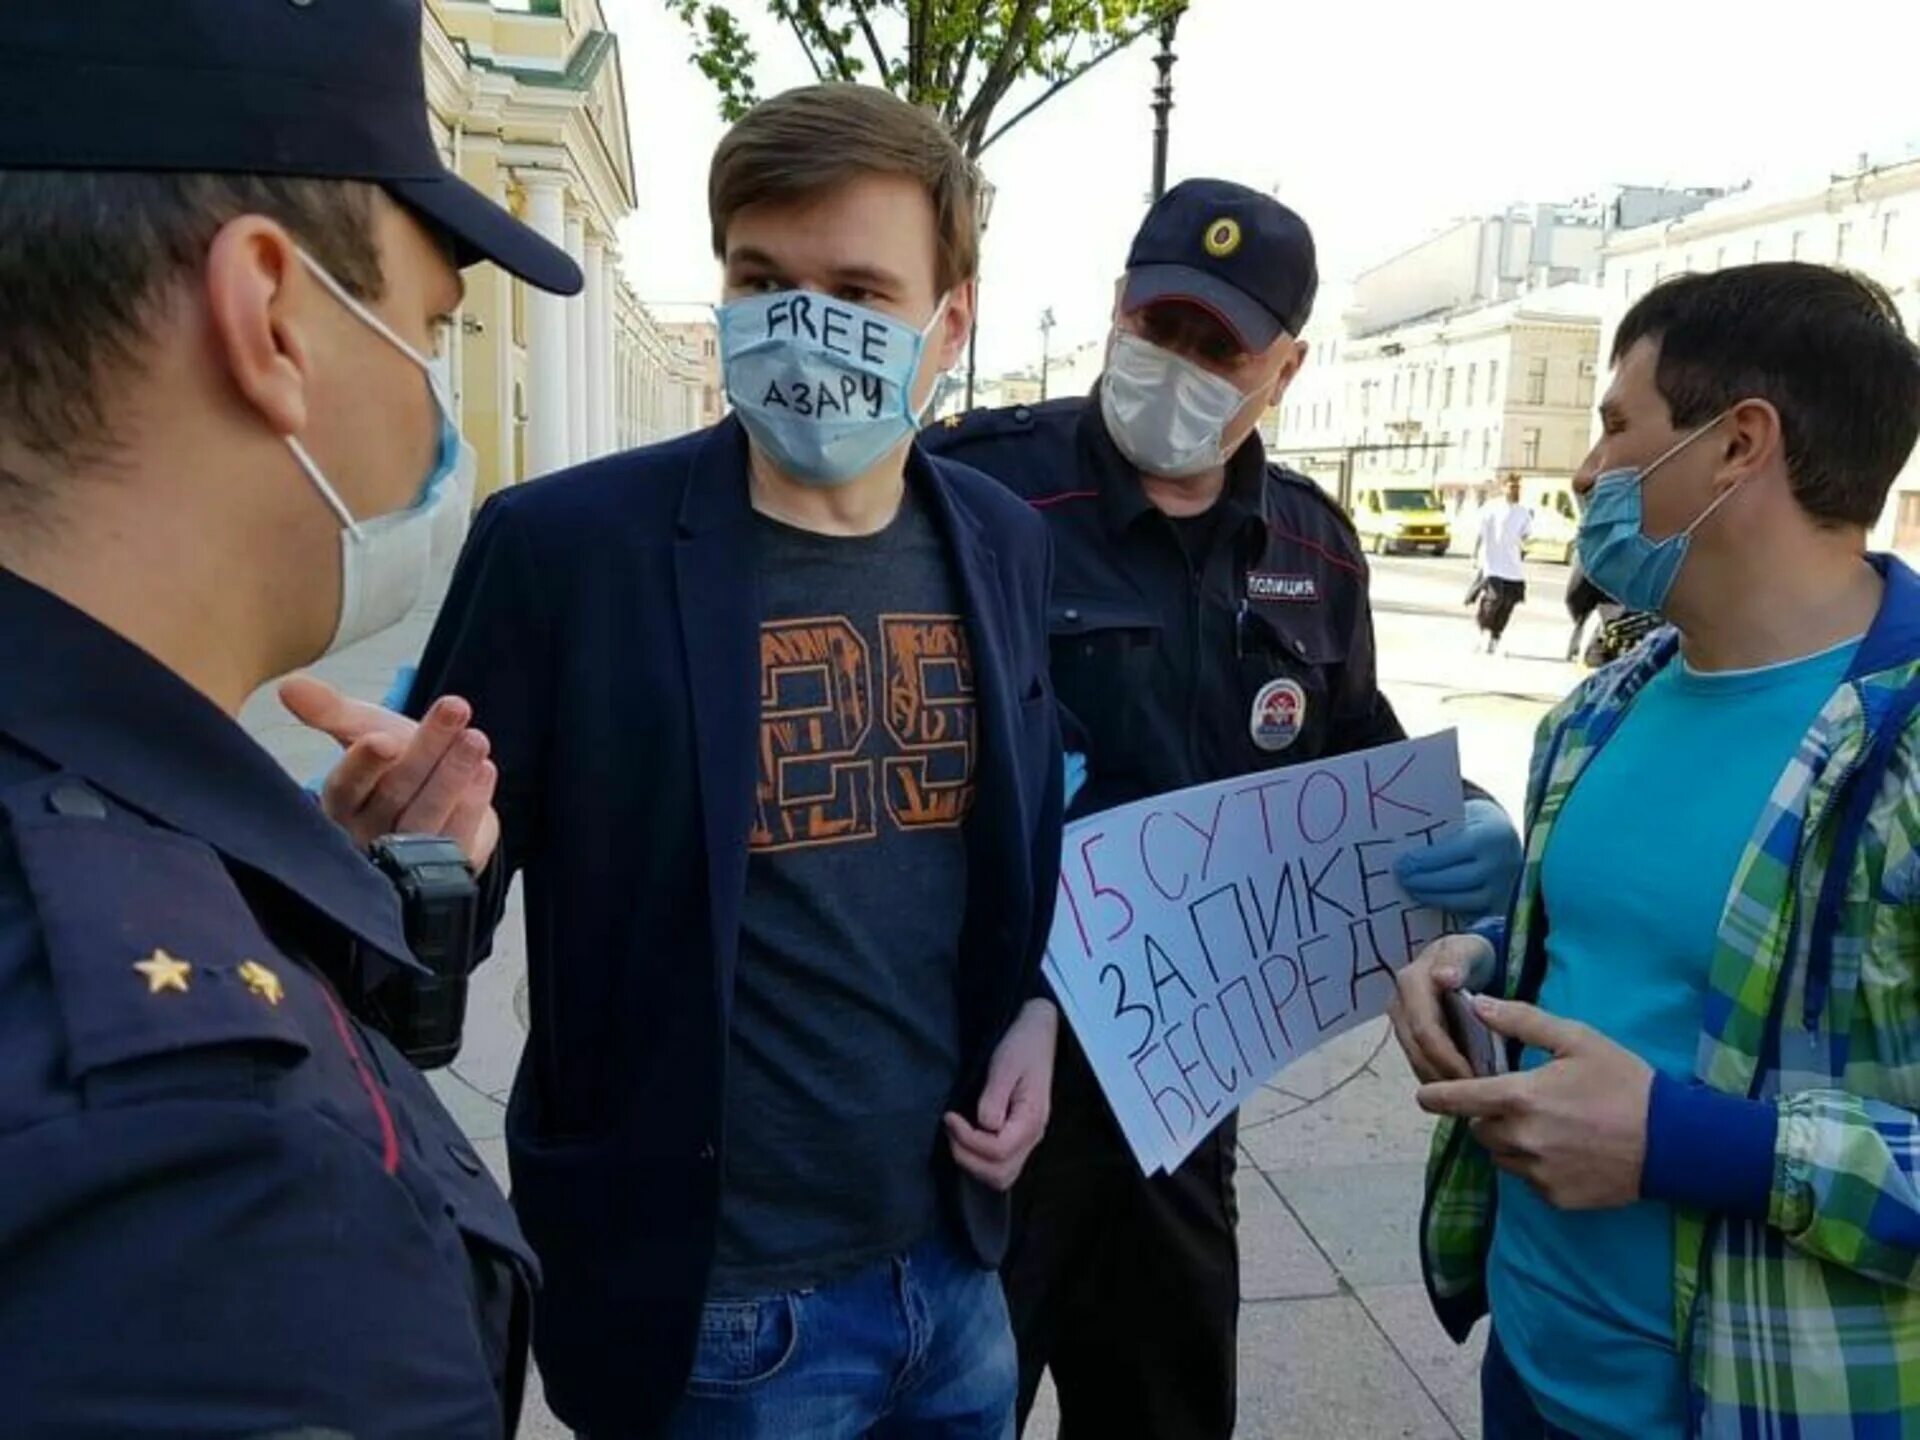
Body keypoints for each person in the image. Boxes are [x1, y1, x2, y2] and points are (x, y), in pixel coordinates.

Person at [291, 83, 1063, 1439]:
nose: (806, 325)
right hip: (715, 1318)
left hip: (955, 1278)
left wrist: (1040, 1020)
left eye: (859, 290)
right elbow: (413, 940)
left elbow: (1021, 846)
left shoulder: (1000, 541)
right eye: (764, 280)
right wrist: (390, 864)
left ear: (952, 322)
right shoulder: (566, 550)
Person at [0, 2, 582, 1435]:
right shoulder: (222, 1178)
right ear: (272, 315)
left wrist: (317, 924)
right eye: (434, 325)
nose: (436, 390)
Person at [924, 178, 1523, 1440]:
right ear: (1116, 312)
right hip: (975, 1079)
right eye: (1158, 330)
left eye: (1219, 349)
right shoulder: (978, 494)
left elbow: (1353, 745)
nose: (1178, 368)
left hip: (1177, 1094)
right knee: (951, 1402)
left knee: (1166, 1407)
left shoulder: (1315, 548)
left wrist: (1459, 813)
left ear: (1285, 366)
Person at [1390, 263, 1920, 1440]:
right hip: (1528, 1369)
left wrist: (1685, 1144)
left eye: (1617, 424)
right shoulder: (1604, 706)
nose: (1584, 474)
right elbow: (1614, 950)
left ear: (1739, 446)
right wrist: (1484, 958)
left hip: (1765, 1405)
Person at [1472, 473, 1532, 653]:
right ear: (1504, 487)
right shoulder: (1492, 508)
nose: (1515, 490)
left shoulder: (1523, 512)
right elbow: (1480, 533)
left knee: (1508, 603)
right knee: (1493, 600)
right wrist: (1475, 555)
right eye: (1512, 486)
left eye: (1518, 487)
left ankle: (1495, 637)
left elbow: (1526, 535)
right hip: (1493, 564)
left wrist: (1523, 549)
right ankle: (1482, 632)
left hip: (1513, 566)